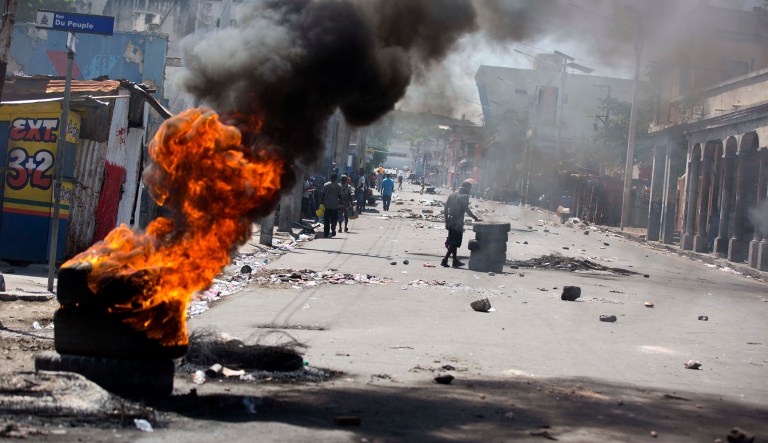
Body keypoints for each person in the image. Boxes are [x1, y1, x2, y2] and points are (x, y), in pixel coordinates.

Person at [441, 180, 480, 268]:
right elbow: (466, 209)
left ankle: (455, 260)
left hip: (451, 220)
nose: (470, 190)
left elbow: (446, 208)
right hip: (458, 222)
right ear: (466, 189)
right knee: (454, 242)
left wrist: (446, 222)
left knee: (452, 241)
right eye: (469, 188)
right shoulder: (464, 197)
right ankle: (445, 259)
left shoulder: (452, 195)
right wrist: (475, 218)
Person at [321, 173, 342, 237]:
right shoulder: (339, 186)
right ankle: (333, 226)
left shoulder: (326, 185)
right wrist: (341, 204)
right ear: (336, 178)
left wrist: (321, 203)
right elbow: (340, 196)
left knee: (326, 219)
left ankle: (326, 233)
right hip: (335, 205)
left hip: (326, 205)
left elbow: (323, 195)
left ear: (330, 177)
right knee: (334, 218)